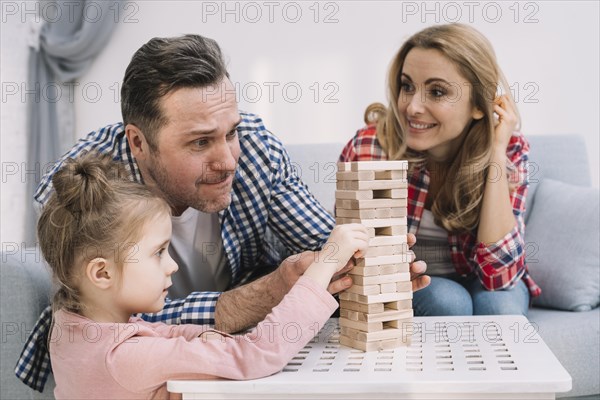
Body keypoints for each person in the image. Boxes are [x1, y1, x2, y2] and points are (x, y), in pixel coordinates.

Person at [17, 34, 429, 391]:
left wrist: (369, 268)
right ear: (138, 143)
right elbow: (114, 317)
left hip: (216, 339)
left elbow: (323, 243)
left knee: (436, 299)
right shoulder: (85, 191)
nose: (230, 159)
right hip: (196, 348)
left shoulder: (254, 149)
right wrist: (261, 295)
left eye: (230, 132)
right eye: (199, 143)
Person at [39, 152, 368, 399]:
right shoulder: (123, 358)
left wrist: (202, 339)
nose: (172, 266)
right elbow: (254, 356)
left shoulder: (71, 327)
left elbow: (159, 336)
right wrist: (326, 262)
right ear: (102, 273)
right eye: (158, 253)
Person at [339, 24, 540, 316]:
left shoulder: (508, 150)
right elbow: (351, 258)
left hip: (480, 277)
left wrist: (495, 153)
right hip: (409, 280)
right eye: (407, 86)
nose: (412, 107)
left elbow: (500, 276)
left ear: (479, 106)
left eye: (437, 91)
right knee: (449, 301)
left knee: (501, 306)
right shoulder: (372, 147)